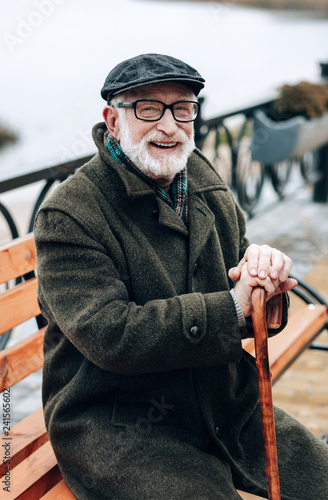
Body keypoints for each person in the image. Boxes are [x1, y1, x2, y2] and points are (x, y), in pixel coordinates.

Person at [34, 53, 328, 500]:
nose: (169, 126)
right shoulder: (69, 213)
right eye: (148, 108)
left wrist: (264, 279)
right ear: (113, 120)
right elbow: (111, 334)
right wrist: (231, 305)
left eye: (183, 108)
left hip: (225, 402)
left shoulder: (201, 177)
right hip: (121, 425)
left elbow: (242, 282)